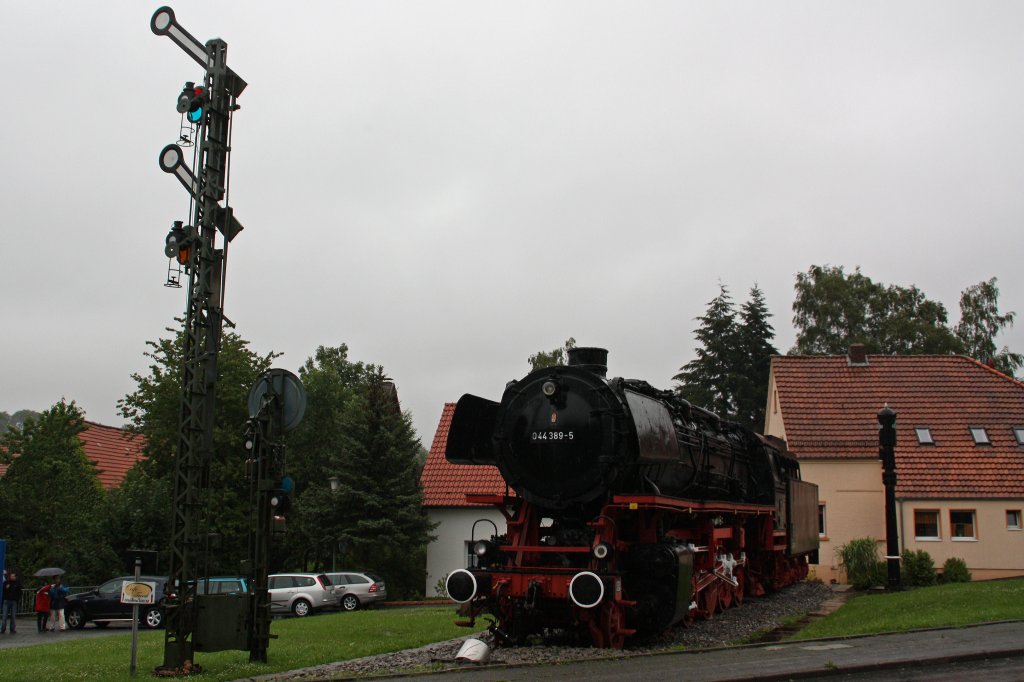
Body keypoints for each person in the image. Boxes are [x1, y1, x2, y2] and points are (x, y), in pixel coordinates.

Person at [1, 570, 22, 634]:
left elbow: (19, 593)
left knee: (13, 616)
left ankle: (12, 629)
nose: (12, 577)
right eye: (11, 576)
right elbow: (3, 591)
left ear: (16, 577)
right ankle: (3, 629)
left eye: (13, 576)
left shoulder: (18, 583)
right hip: (6, 601)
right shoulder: (6, 582)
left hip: (14, 602)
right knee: (4, 616)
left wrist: (17, 600)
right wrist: (6, 588)